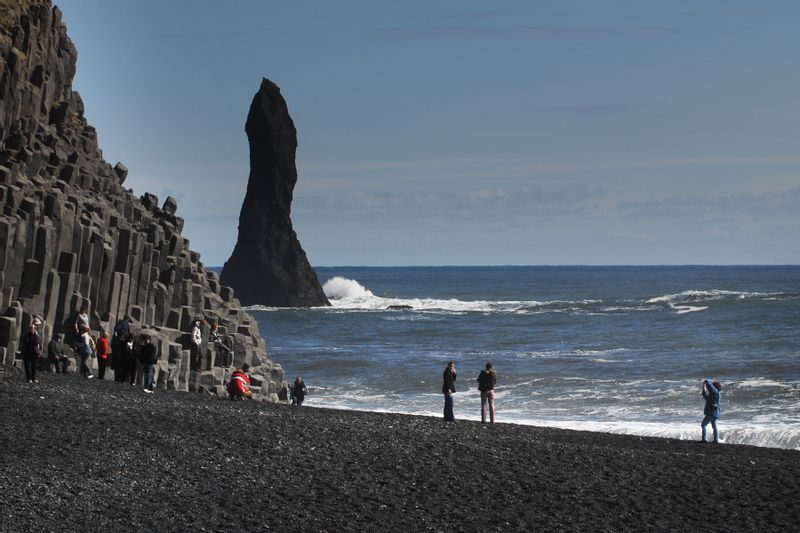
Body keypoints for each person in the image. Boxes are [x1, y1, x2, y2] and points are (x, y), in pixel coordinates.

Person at [20, 318, 43, 383]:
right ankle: (29, 378)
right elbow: (25, 343)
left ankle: (33, 378)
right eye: (37, 324)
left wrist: (39, 351)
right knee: (28, 366)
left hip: (35, 352)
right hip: (28, 351)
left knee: (34, 366)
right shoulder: (28, 333)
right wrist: (23, 352)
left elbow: (38, 343)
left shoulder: (37, 333)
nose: (38, 326)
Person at [701, 379, 723, 443]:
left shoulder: (715, 392)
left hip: (712, 412)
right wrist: (704, 387)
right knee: (714, 426)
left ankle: (704, 439)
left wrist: (707, 380)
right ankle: (716, 440)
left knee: (703, 424)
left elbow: (709, 384)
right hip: (714, 412)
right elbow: (705, 396)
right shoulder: (713, 394)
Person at [112, 316, 132, 382]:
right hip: (123, 351)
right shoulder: (126, 324)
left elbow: (116, 329)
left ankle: (117, 378)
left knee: (117, 365)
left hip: (118, 350)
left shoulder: (121, 323)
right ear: (128, 319)